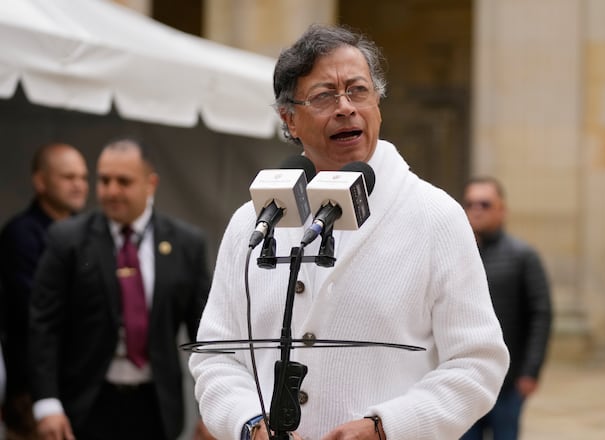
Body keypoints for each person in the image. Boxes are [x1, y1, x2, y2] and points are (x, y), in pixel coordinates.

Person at [190, 24, 509, 440]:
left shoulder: (437, 217)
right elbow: (215, 358)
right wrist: (249, 424)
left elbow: (477, 363)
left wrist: (386, 427)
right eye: (324, 96)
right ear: (289, 118)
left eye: (358, 91)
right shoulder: (250, 224)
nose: (345, 107)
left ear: (377, 104)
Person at [27, 138, 212, 440]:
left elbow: (204, 333)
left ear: (150, 184)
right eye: (104, 180)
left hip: (156, 407)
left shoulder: (186, 243)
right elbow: (43, 325)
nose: (111, 190)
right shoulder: (67, 240)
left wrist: (211, 409)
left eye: (123, 181)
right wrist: (47, 403)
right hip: (85, 405)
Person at [0, 142, 89, 440]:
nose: (79, 185)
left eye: (83, 177)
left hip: (81, 389)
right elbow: (36, 314)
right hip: (33, 392)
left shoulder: (88, 235)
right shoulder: (21, 235)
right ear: (40, 181)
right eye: (68, 177)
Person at [460, 177, 553, 440]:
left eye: (485, 203)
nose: (476, 209)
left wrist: (530, 371)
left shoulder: (523, 256)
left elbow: (540, 315)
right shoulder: (456, 254)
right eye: (470, 203)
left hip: (509, 382)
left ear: (502, 210)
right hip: (465, 381)